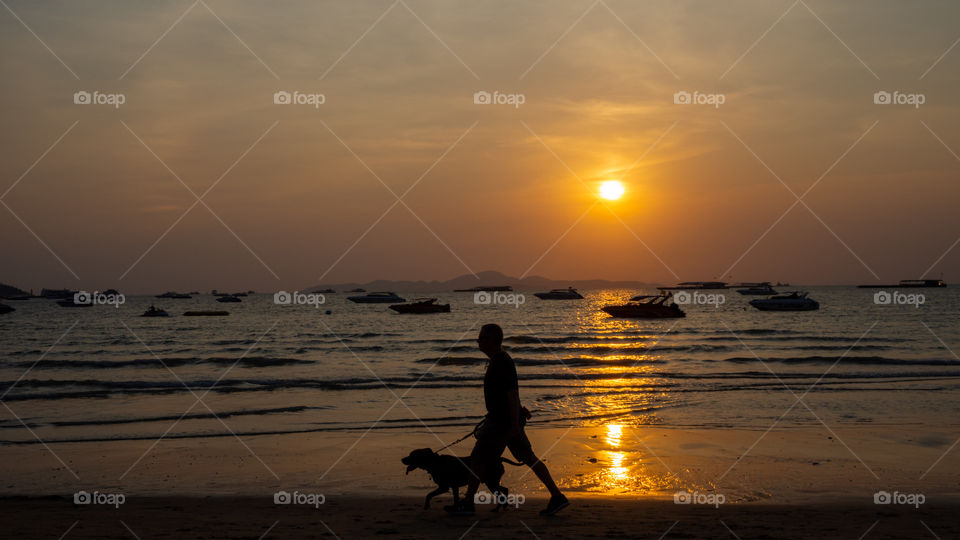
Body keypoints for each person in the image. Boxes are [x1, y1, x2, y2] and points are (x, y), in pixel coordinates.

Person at [444, 323, 569, 516]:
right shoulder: (499, 360)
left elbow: (511, 392)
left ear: (492, 340)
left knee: (478, 459)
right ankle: (557, 496)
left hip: (501, 423)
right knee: (528, 458)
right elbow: (510, 393)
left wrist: (513, 423)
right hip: (506, 421)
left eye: (482, 337)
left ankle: (468, 504)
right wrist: (519, 412)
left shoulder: (501, 361)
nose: (478, 341)